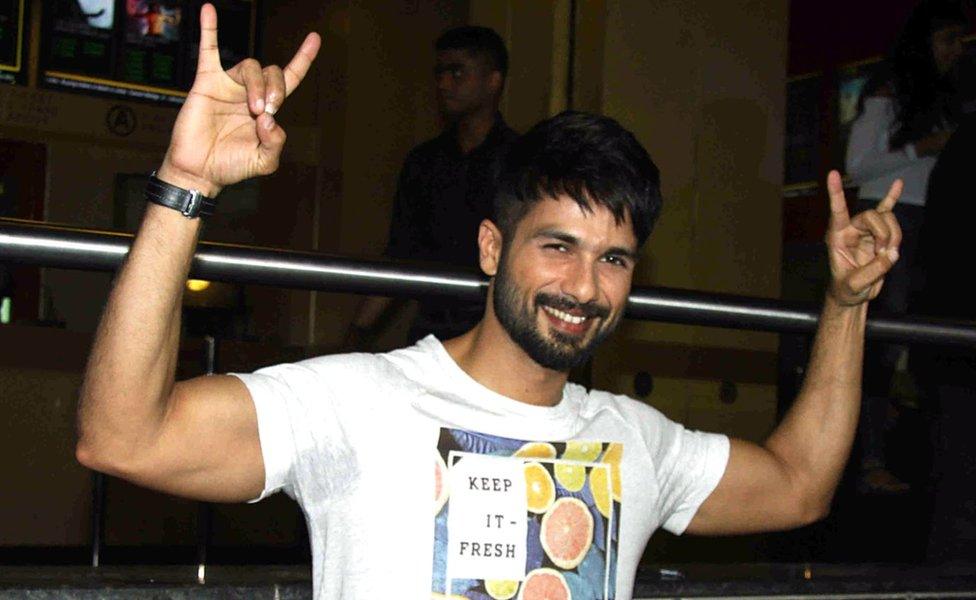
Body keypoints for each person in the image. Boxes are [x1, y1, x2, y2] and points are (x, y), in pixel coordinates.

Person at [75, 5, 903, 599]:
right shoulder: (356, 401)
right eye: (557, 246)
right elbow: (122, 436)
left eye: (613, 258)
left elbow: (798, 485)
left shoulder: (634, 441)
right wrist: (185, 184)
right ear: (489, 248)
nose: (584, 287)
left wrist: (846, 302)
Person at [844, 0, 967, 495]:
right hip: (891, 220)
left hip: (936, 227)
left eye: (961, 40)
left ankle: (926, 465)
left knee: (923, 345)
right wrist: (923, 148)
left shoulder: (950, 95)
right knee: (881, 342)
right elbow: (856, 168)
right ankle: (869, 461)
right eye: (948, 39)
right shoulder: (887, 94)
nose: (956, 51)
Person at [349, 25, 518, 347]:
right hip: (432, 335)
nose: (443, 84)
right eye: (439, 73)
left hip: (499, 336)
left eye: (457, 73)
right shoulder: (424, 161)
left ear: (493, 81)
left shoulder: (522, 162)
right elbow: (401, 252)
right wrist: (357, 332)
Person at [912, 115, 976, 561]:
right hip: (959, 340)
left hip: (949, 338)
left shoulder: (961, 144)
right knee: (961, 492)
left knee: (957, 488)